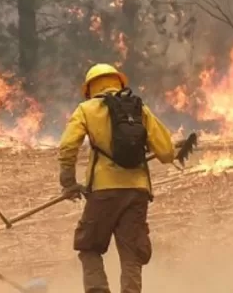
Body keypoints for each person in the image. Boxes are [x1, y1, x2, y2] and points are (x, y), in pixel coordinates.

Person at [58, 64, 175, 293]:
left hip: (103, 191)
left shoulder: (86, 109)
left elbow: (67, 146)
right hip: (137, 192)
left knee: (89, 246)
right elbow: (167, 152)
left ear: (90, 88)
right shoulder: (139, 109)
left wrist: (68, 183)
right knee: (132, 255)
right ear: (119, 83)